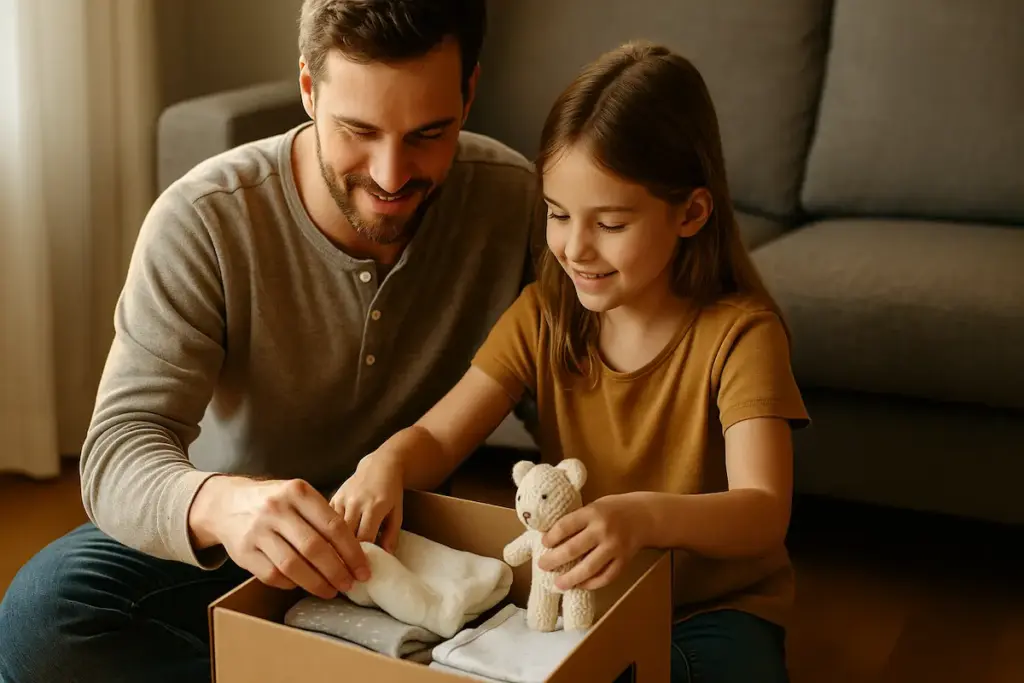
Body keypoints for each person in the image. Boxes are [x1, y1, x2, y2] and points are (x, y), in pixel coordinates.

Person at [0, 1, 542, 681]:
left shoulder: (517, 202)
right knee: (42, 619)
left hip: (414, 544)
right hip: (236, 547)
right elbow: (117, 449)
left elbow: (571, 407)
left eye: (429, 134)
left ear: (470, 92)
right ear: (309, 90)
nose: (391, 175)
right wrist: (223, 504)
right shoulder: (204, 219)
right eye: (358, 131)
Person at [333, 41, 811, 683]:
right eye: (558, 215)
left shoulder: (739, 336)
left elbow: (762, 509)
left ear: (691, 213)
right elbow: (441, 435)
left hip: (712, 610)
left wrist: (641, 517)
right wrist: (387, 460)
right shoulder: (544, 315)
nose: (574, 247)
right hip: (582, 603)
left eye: (610, 224)